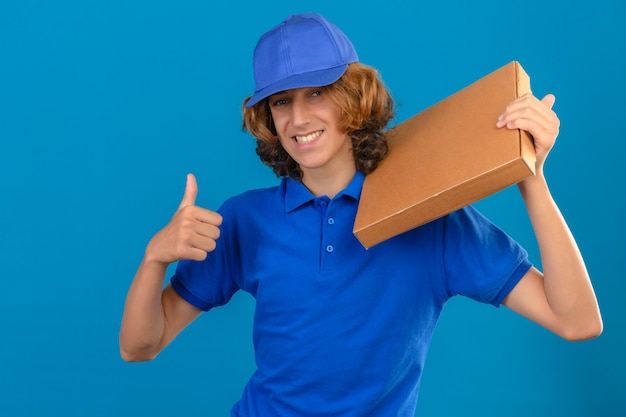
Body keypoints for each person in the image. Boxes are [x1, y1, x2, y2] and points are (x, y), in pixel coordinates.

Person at [119, 12, 602, 417]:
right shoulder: (247, 220)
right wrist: (153, 260)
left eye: (317, 92)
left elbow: (576, 320)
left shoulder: (429, 217)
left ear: (353, 97)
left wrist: (530, 175)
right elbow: (139, 347)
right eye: (281, 102)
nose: (299, 118)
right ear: (267, 118)